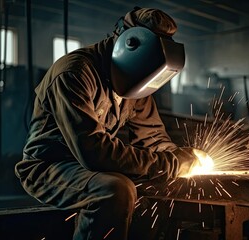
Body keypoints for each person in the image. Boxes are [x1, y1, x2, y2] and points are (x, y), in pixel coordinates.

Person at [15, 7, 202, 240]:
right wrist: (171, 164)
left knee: (157, 183)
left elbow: (153, 139)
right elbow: (93, 151)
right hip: (50, 167)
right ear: (129, 45)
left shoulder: (137, 81)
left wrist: (183, 159)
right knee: (114, 190)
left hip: (92, 166)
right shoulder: (74, 74)